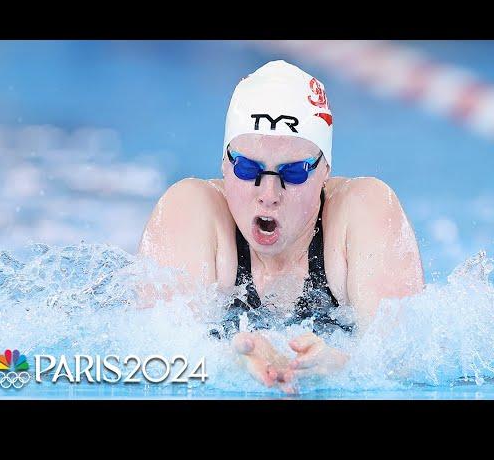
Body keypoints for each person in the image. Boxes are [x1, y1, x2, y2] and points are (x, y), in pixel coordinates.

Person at [138, 60, 424, 393]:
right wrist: (228, 364)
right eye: (247, 169)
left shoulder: (365, 209)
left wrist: (342, 368)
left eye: (293, 173)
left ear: (324, 169)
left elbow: (410, 361)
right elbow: (148, 360)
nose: (269, 195)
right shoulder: (189, 210)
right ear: (224, 162)